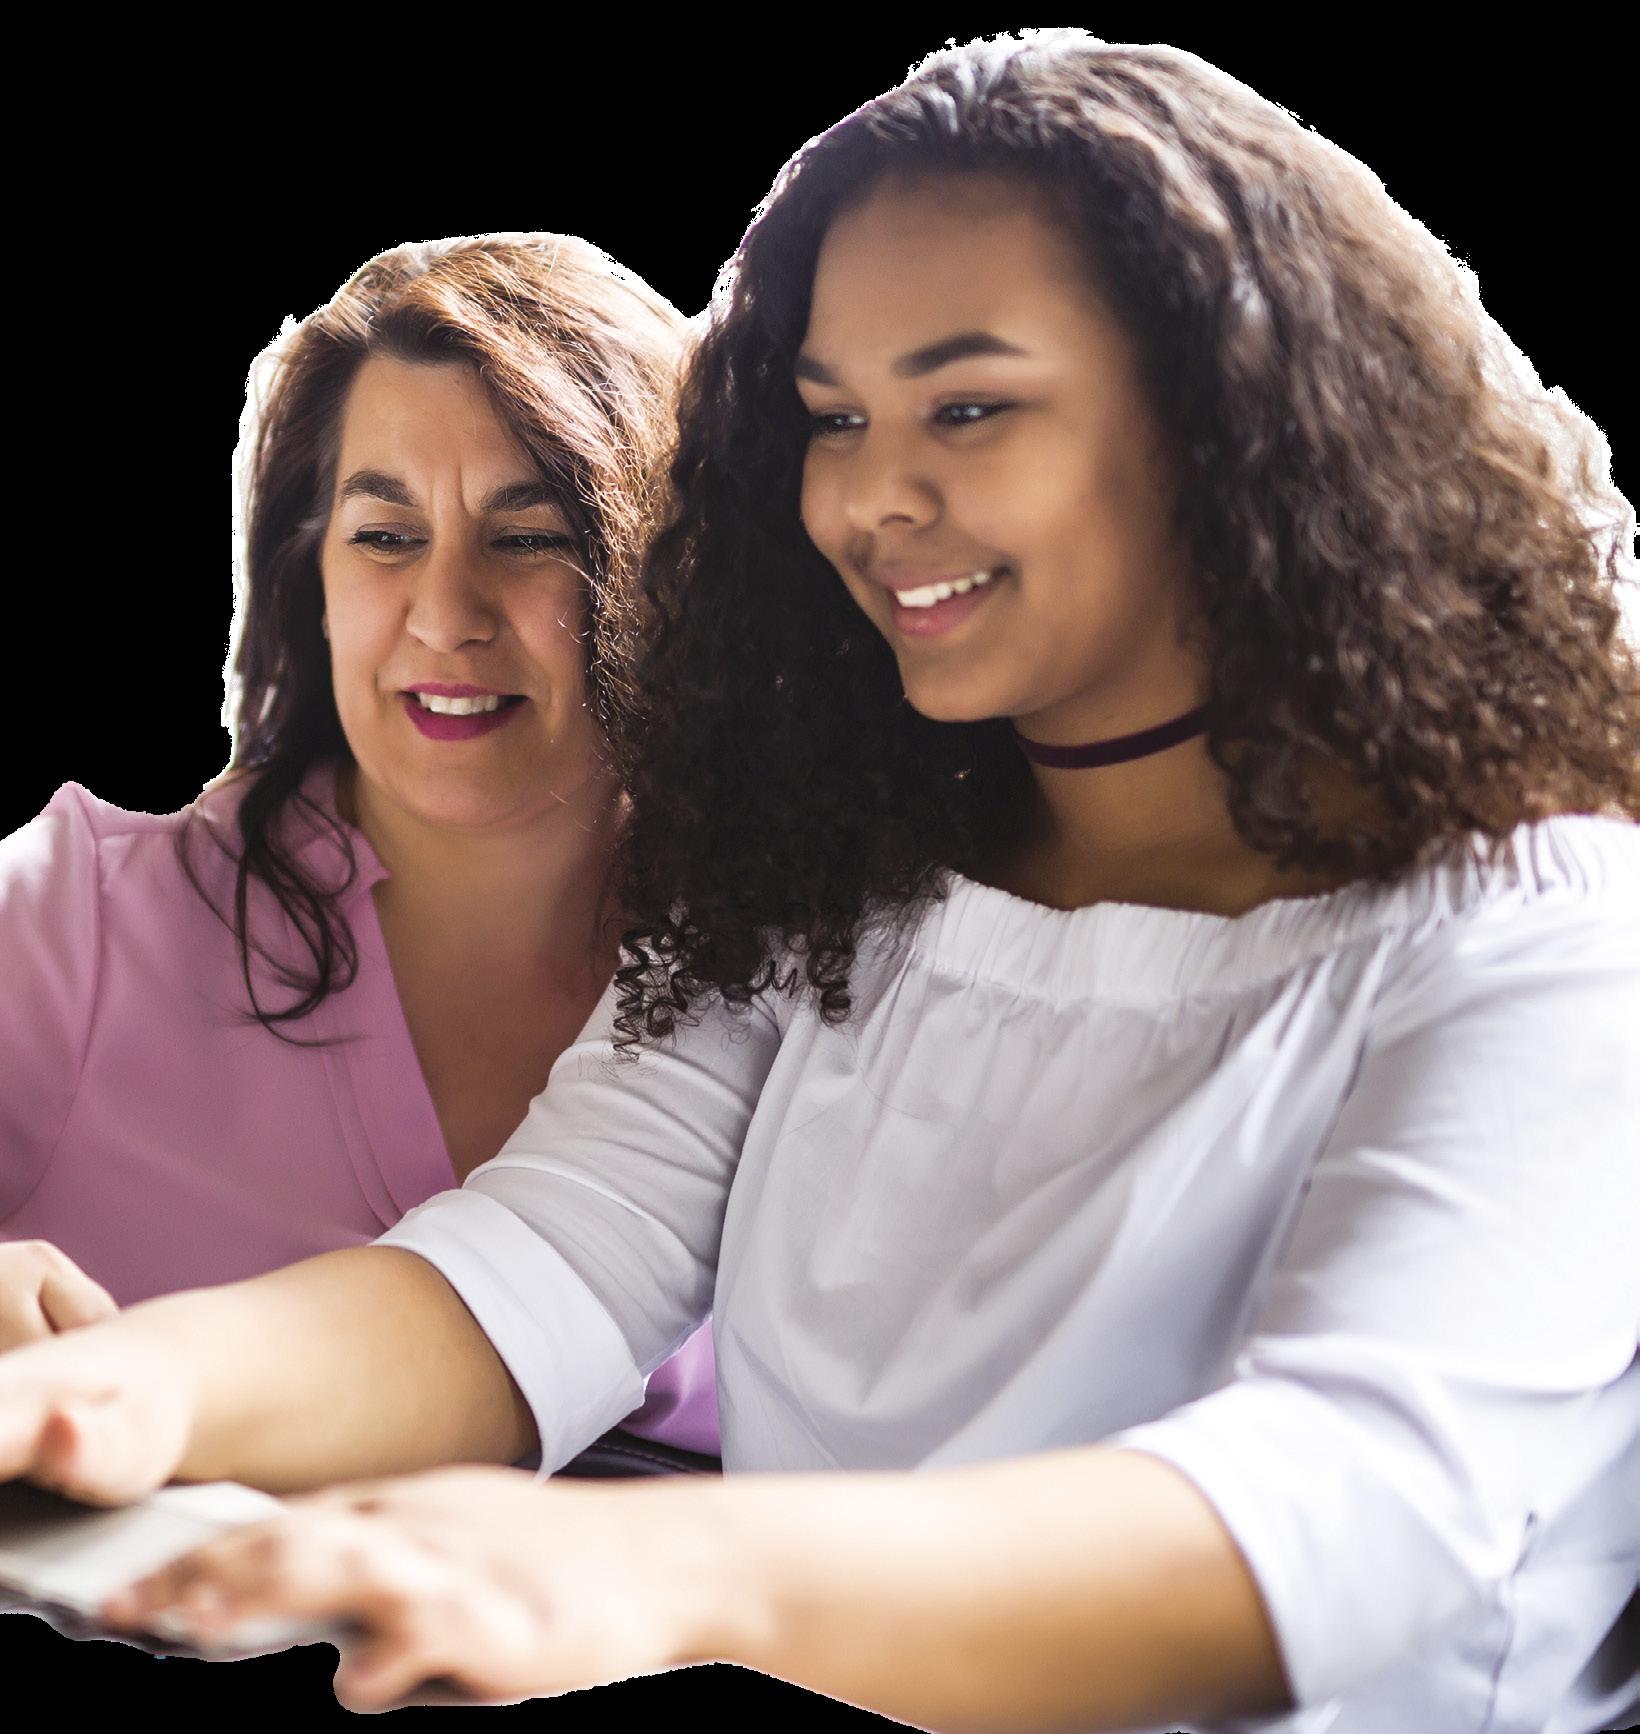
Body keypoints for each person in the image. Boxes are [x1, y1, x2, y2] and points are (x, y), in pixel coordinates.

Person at [6, 29, 1640, 1733]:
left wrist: (679, 1570)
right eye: (834, 420)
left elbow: (1355, 1504)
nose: (868, 496)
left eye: (968, 407)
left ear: (1230, 419)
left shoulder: (1545, 931)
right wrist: (121, 1391)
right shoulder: (838, 876)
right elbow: (543, 1261)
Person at [0, 234, 719, 1470]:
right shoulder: (78, 924)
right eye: (385, 536)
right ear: (311, 577)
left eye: (528, 538)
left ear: (671, 572)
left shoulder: (797, 977)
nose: (444, 616)